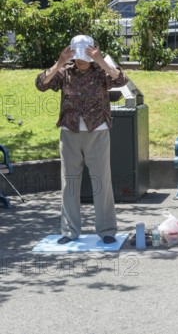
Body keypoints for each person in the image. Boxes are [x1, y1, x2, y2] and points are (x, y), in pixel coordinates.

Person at [35, 35, 128, 245]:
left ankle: (106, 230)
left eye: (85, 56)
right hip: (70, 131)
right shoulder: (65, 71)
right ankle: (69, 231)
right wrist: (59, 62)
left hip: (98, 130)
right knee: (70, 182)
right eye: (77, 56)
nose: (81, 60)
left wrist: (102, 61)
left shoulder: (101, 71)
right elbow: (41, 84)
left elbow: (121, 80)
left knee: (101, 181)